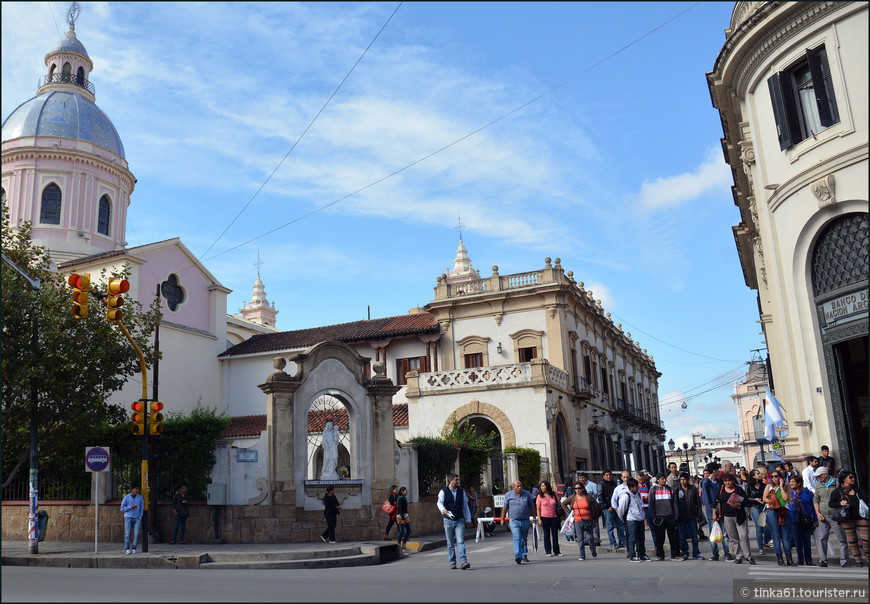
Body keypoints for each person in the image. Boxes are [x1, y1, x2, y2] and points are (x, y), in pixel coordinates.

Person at [828, 470, 868, 568]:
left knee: (866, 540)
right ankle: (858, 561)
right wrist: (839, 503)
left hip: (860, 517)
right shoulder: (837, 492)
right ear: (844, 480)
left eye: (853, 477)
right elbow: (831, 503)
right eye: (850, 477)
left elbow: (866, 499)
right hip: (846, 518)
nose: (853, 479)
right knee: (853, 540)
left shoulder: (857, 489)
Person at [714, 473, 755, 565]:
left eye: (729, 481)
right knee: (733, 538)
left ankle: (748, 556)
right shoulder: (721, 489)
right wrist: (714, 513)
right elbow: (716, 501)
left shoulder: (738, 489)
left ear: (733, 481)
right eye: (725, 481)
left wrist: (740, 503)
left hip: (739, 516)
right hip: (727, 517)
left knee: (743, 535)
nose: (727, 483)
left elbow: (746, 500)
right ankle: (738, 556)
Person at [813, 465, 849, 568]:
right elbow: (816, 500)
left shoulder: (837, 483)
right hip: (823, 514)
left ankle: (844, 561)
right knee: (822, 538)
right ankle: (823, 560)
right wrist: (818, 513)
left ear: (825, 474)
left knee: (841, 538)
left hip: (835, 514)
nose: (818, 477)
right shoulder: (818, 485)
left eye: (819, 475)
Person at [437, 473, 472, 570]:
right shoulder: (443, 491)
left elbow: (465, 505)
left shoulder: (461, 492)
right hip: (448, 520)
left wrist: (468, 519)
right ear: (450, 480)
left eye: (458, 479)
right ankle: (452, 562)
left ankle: (463, 561)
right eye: (456, 480)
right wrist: (443, 510)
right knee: (450, 543)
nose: (457, 481)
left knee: (461, 541)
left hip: (459, 520)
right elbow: (439, 502)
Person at [701, 463, 732, 561]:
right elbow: (705, 499)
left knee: (724, 533)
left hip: (721, 510)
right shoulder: (706, 482)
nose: (719, 471)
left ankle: (727, 553)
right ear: (714, 471)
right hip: (712, 512)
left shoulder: (719, 481)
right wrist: (713, 511)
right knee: (713, 534)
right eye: (717, 469)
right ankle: (715, 553)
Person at [764, 470, 795, 566]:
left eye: (776, 476)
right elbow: (764, 498)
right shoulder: (768, 486)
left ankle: (789, 559)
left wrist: (781, 486)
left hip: (784, 511)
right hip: (773, 511)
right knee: (776, 536)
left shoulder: (785, 486)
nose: (774, 478)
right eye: (772, 476)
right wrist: (773, 501)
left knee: (786, 537)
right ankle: (780, 558)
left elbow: (785, 498)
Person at [502, 479, 536, 564]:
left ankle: (524, 555)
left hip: (525, 520)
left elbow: (532, 507)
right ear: (513, 487)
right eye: (518, 486)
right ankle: (518, 555)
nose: (520, 487)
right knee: (517, 537)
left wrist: (534, 518)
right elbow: (505, 507)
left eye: (520, 486)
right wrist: (502, 519)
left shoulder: (527, 494)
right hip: (514, 520)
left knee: (524, 538)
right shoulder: (508, 495)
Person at [562, 483, 599, 560]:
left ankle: (593, 550)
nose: (577, 490)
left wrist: (595, 516)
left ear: (582, 489)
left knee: (590, 537)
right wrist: (569, 511)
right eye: (575, 489)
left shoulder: (588, 497)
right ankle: (582, 555)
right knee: (580, 538)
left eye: (579, 488)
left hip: (588, 519)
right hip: (577, 520)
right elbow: (563, 504)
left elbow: (596, 505)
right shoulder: (573, 497)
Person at [649, 473, 681, 561]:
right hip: (659, 518)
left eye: (664, 479)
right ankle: (660, 555)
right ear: (658, 480)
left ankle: (675, 554)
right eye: (662, 479)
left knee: (673, 538)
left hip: (670, 517)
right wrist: (653, 517)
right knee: (660, 538)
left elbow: (675, 503)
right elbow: (651, 504)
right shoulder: (653, 490)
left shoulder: (670, 489)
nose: (664, 480)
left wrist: (676, 515)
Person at [617, 478, 649, 562]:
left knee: (641, 538)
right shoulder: (626, 496)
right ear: (631, 487)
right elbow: (621, 509)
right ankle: (632, 555)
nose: (637, 488)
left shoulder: (637, 494)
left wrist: (642, 515)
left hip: (639, 518)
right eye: (636, 486)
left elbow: (641, 505)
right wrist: (623, 518)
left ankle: (642, 554)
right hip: (631, 520)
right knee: (632, 539)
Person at [788, 474, 817, 565]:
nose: (791, 483)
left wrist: (815, 519)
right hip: (794, 519)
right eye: (790, 481)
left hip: (806, 519)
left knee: (806, 540)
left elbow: (813, 506)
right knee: (797, 540)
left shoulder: (807, 492)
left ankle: (808, 560)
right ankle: (800, 559)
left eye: (793, 481)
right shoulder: (789, 493)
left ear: (799, 483)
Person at [676, 472, 704, 560]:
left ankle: (695, 553)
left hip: (692, 515)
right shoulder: (677, 489)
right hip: (681, 516)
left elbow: (698, 502)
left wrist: (698, 514)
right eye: (681, 479)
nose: (682, 481)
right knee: (682, 536)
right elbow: (675, 503)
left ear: (688, 480)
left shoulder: (693, 489)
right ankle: (685, 552)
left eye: (684, 479)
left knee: (694, 536)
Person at [536, 480, 563, 557]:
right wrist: (539, 519)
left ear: (547, 486)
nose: (542, 488)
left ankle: (556, 551)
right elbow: (538, 508)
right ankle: (548, 551)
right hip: (544, 517)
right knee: (546, 535)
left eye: (543, 486)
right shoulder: (540, 496)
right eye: (541, 486)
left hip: (554, 517)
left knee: (555, 534)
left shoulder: (554, 495)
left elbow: (560, 503)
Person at [600, 469, 626, 549]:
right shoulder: (601, 484)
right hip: (608, 508)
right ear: (603, 476)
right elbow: (600, 497)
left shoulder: (614, 484)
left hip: (616, 507)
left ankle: (622, 541)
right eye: (607, 475)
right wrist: (607, 506)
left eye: (610, 475)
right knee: (610, 526)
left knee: (620, 525)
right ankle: (612, 542)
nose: (608, 476)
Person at [745, 469, 767, 555]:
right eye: (757, 474)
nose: (759, 475)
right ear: (753, 476)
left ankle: (766, 541)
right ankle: (761, 547)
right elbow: (746, 497)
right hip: (755, 507)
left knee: (766, 527)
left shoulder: (764, 485)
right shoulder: (749, 486)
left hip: (764, 507)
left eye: (759, 473)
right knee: (759, 527)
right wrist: (754, 499)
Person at [576, 473, 601, 546]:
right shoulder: (578, 487)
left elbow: (597, 495)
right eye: (580, 478)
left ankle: (596, 539)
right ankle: (586, 540)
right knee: (584, 524)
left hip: (592, 507)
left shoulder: (592, 485)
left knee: (594, 524)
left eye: (583, 478)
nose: (581, 479)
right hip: (582, 508)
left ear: (586, 478)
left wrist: (596, 505)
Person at [120, 485, 144, 554]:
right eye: (135, 489)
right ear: (132, 490)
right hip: (128, 517)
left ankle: (134, 548)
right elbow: (122, 508)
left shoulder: (140, 497)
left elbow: (141, 508)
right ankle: (127, 548)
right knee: (127, 534)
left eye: (137, 489)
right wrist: (130, 507)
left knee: (136, 534)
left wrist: (140, 517)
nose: (137, 490)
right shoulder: (127, 497)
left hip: (136, 518)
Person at [637, 472, 657, 547]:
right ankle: (640, 545)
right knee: (639, 528)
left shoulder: (648, 485)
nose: (641, 481)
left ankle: (656, 543)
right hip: (639, 508)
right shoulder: (635, 486)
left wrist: (647, 498)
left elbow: (652, 495)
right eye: (639, 480)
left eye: (642, 480)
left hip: (648, 506)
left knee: (652, 526)